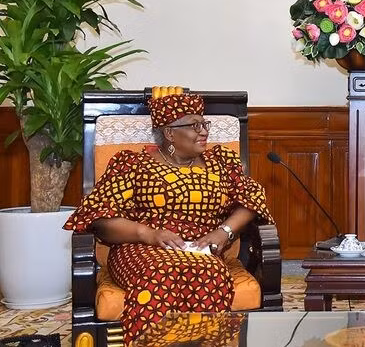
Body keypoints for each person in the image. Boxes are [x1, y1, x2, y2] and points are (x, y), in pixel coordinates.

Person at [64, 92, 273, 345]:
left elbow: (253, 198)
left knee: (208, 273)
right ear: (170, 133)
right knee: (160, 272)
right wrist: (149, 234)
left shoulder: (220, 163)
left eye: (204, 124)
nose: (203, 131)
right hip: (140, 248)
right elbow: (97, 217)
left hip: (200, 251)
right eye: (194, 125)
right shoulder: (134, 165)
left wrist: (224, 231)